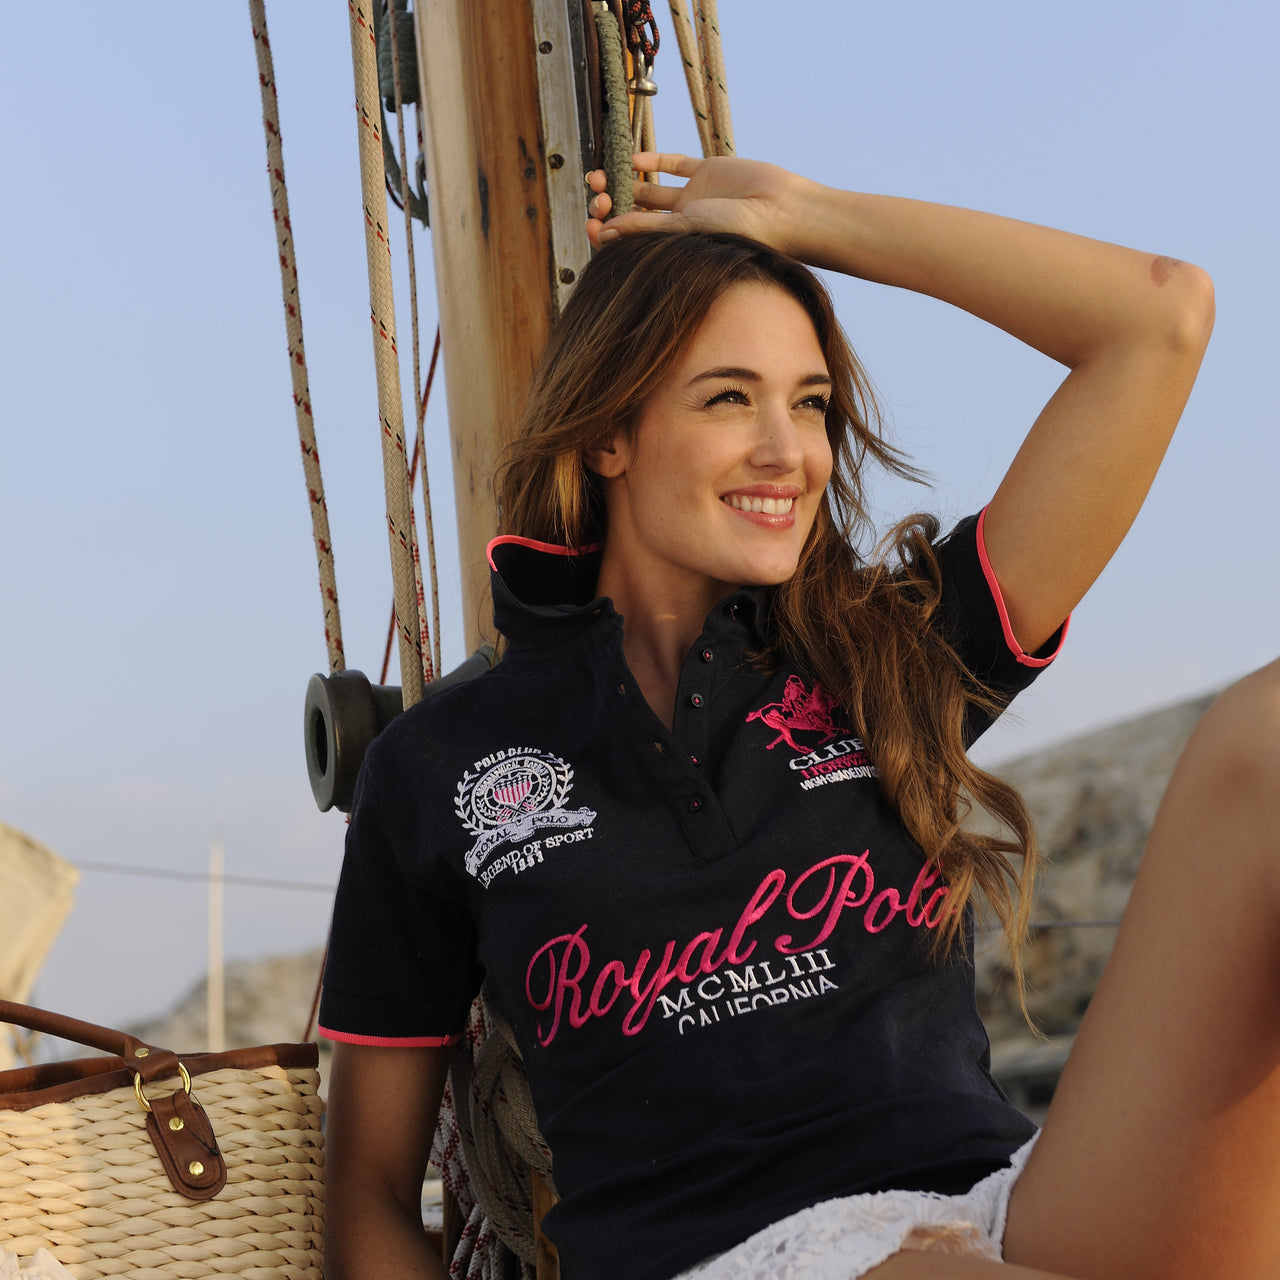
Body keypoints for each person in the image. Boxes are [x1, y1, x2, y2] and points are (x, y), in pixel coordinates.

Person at [318, 154, 1279, 1280]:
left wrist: (805, 217)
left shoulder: (883, 658)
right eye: (729, 397)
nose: (789, 452)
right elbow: (368, 1192)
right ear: (609, 432)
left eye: (810, 403)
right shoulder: (439, 761)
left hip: (995, 1216)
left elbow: (1159, 319)